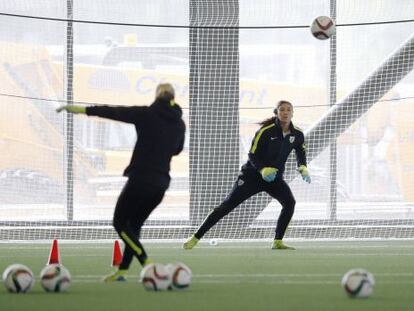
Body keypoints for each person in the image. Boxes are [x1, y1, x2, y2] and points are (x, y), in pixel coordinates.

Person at [56, 83, 186, 281]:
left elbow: (113, 112)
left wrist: (79, 109)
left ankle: (146, 262)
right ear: (173, 98)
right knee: (133, 227)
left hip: (141, 179)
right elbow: (177, 150)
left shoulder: (146, 114)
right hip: (161, 184)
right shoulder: (179, 123)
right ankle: (123, 271)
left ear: (156, 96)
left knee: (119, 222)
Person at [183, 100, 310, 250]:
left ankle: (278, 241)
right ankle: (195, 237)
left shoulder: (298, 134)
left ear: (292, 113)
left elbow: (300, 151)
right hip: (251, 176)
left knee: (290, 203)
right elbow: (252, 154)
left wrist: (302, 166)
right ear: (276, 112)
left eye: (289, 109)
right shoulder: (266, 131)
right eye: (282, 109)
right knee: (227, 206)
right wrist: (263, 170)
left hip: (274, 178)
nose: (286, 112)